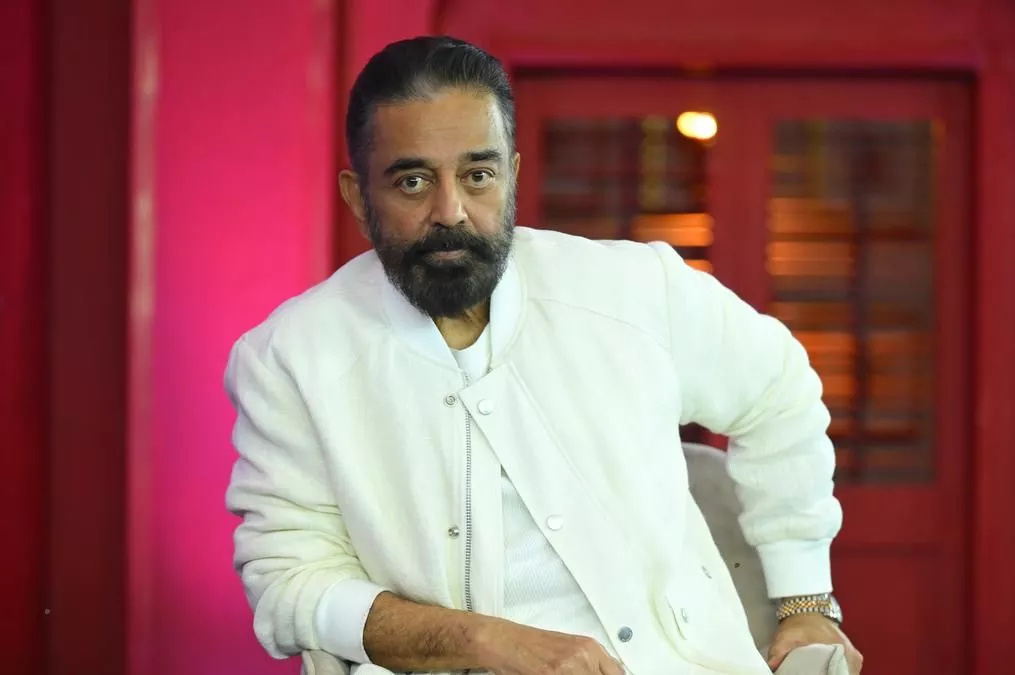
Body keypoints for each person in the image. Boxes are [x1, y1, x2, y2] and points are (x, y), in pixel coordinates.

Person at [224, 35, 862, 675]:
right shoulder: (290, 359)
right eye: (412, 182)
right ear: (358, 198)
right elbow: (289, 581)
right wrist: (484, 643)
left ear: (513, 175)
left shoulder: (633, 289)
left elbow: (779, 392)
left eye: (478, 176)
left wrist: (806, 600)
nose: (451, 212)